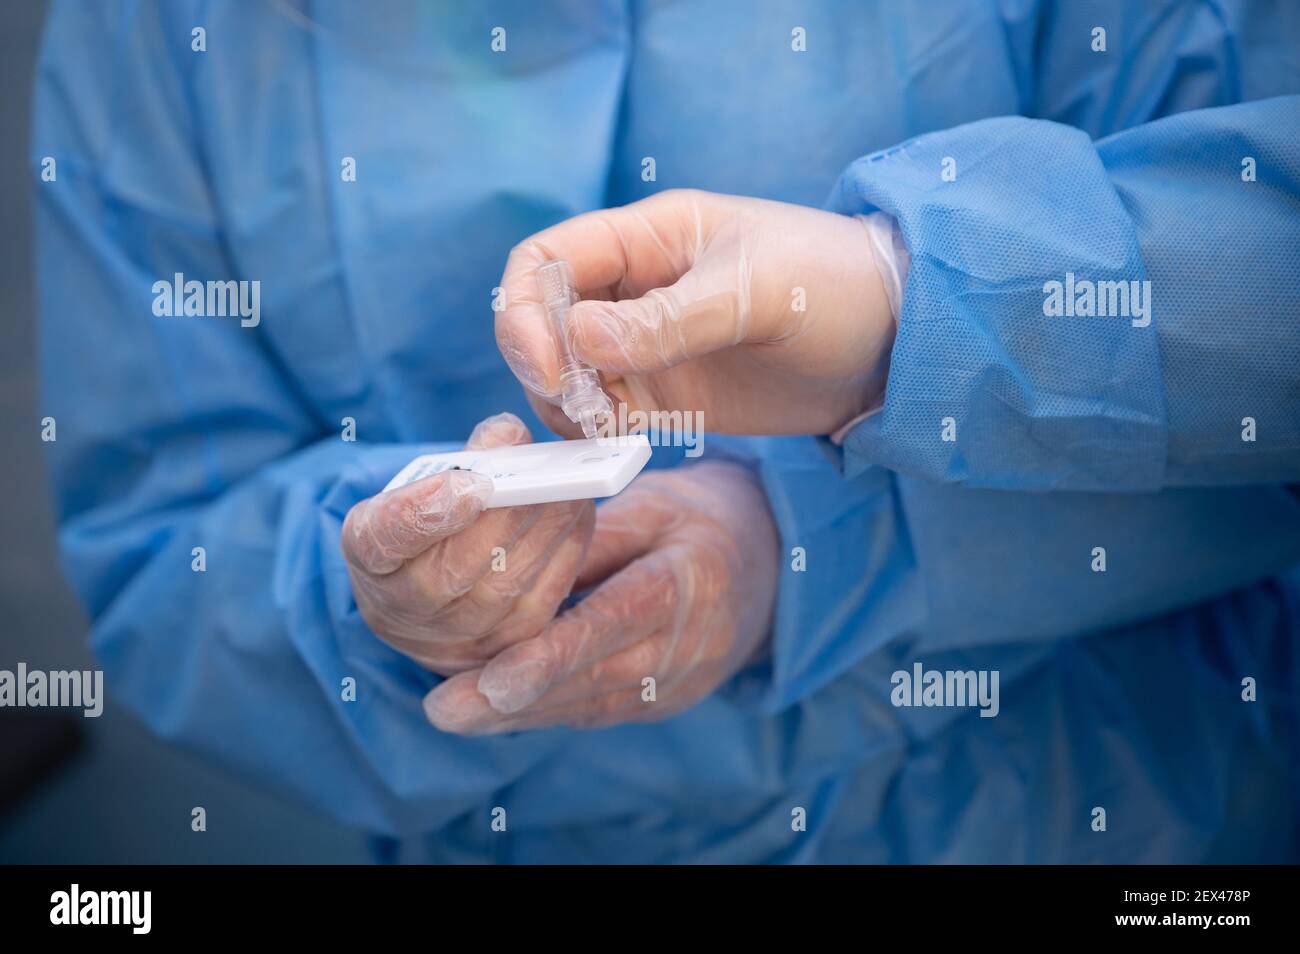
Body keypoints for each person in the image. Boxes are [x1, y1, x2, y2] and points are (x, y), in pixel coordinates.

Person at [35, 0, 1300, 863]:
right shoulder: (153, 36)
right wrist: (392, 599)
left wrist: (904, 328)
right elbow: (164, 546)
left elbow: (1262, 371)